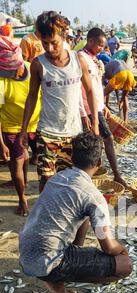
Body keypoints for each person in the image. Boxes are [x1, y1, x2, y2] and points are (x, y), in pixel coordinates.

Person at [19, 132, 132, 293]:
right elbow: (108, 246)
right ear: (99, 163)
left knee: (84, 216)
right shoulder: (93, 196)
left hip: (26, 255)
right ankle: (55, 279)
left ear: (72, 158)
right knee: (125, 265)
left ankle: (61, 268)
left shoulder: (57, 178)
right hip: (47, 263)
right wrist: (122, 250)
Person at [19, 11, 99, 193]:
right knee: (47, 182)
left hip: (74, 133)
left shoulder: (78, 61)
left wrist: (94, 122)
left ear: (63, 36)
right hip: (47, 133)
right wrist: (24, 129)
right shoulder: (38, 64)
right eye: (44, 43)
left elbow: (89, 90)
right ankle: (46, 217)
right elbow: (32, 96)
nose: (49, 48)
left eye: (53, 42)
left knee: (71, 183)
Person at [78, 28, 127, 187]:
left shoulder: (94, 59)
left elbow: (97, 86)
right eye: (100, 45)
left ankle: (99, 174)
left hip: (96, 107)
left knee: (97, 141)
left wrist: (103, 105)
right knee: (102, 140)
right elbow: (80, 88)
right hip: (88, 108)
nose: (102, 48)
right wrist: (84, 112)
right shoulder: (81, 57)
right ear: (90, 41)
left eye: (103, 45)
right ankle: (114, 175)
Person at [0, 40, 41, 216]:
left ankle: (22, 182)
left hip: (32, 124)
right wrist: (1, 143)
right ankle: (22, 198)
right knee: (16, 162)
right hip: (11, 125)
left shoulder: (32, 69)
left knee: (24, 156)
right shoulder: (2, 80)